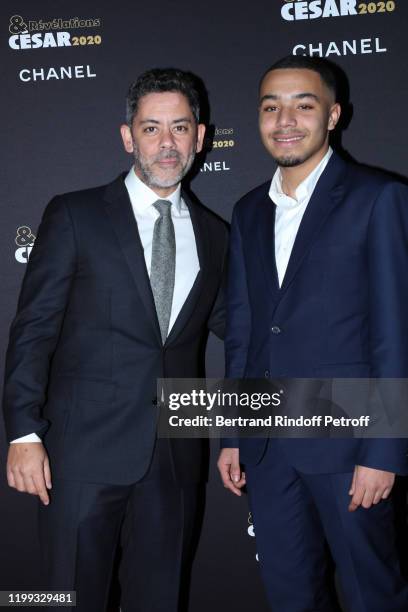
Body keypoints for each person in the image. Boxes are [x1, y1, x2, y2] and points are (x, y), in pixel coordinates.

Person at [3, 67, 228, 612]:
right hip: (79, 455)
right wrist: (23, 432)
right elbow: (34, 327)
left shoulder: (218, 234)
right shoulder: (75, 214)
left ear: (201, 138)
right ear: (128, 136)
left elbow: (242, 332)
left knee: (160, 600)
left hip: (174, 462)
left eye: (180, 127)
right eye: (151, 128)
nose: (167, 143)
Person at [218, 55, 408, 611]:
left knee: (372, 592)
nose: (285, 119)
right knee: (289, 595)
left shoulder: (379, 199)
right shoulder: (249, 210)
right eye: (270, 107)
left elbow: (395, 333)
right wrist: (234, 434)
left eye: (304, 105)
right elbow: (245, 331)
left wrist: (384, 450)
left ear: (333, 115)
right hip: (269, 446)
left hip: (351, 446)